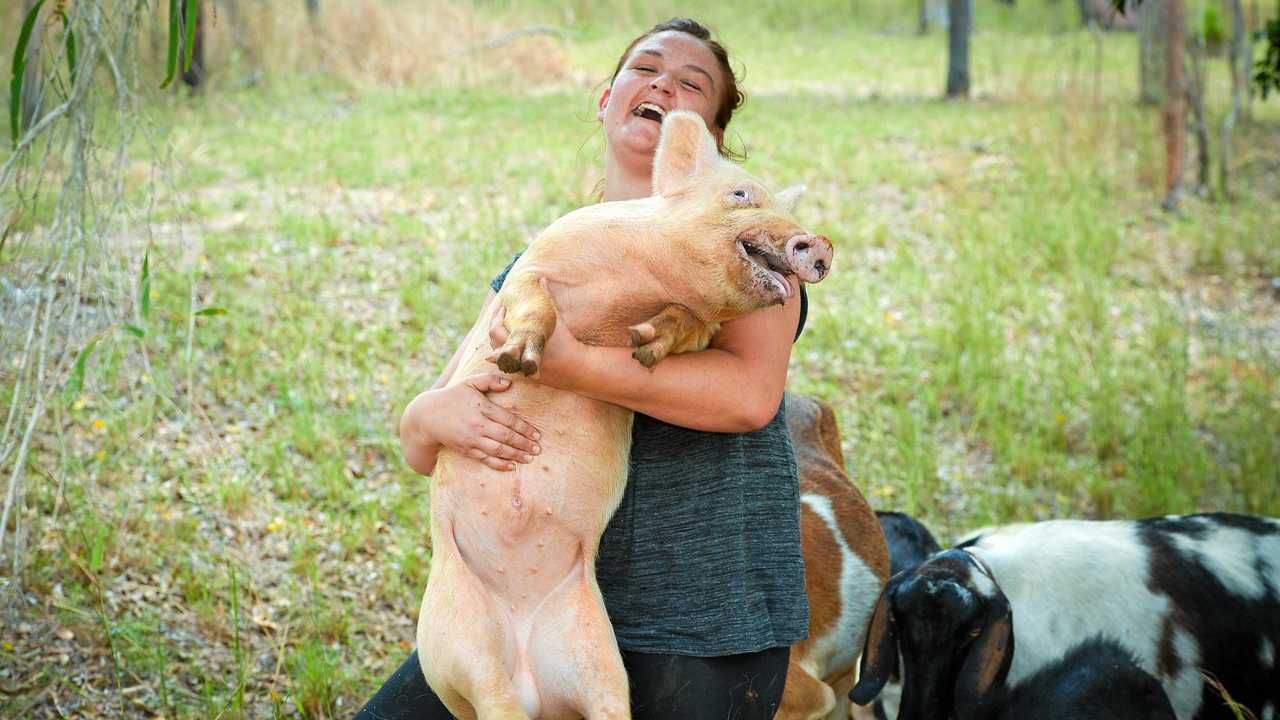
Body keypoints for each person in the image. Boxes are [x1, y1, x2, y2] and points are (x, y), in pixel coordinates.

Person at [358, 18, 809, 720]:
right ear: (606, 99)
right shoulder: (551, 254)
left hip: (704, 621)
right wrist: (425, 416)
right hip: (526, 598)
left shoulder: (746, 249)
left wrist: (573, 366)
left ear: (708, 142)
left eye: (693, 85)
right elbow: (430, 436)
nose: (665, 83)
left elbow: (748, 398)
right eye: (646, 68)